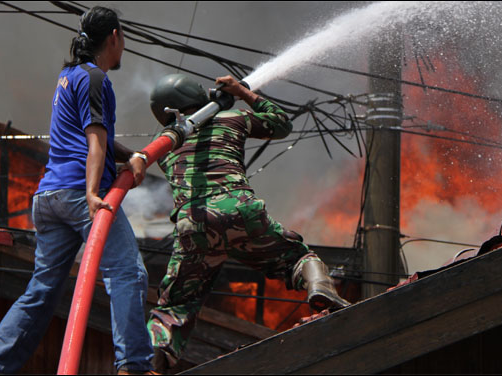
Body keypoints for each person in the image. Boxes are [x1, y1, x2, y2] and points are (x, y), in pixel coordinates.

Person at [0, 6, 155, 375]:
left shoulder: (69, 76)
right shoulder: (97, 80)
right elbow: (94, 143)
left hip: (49, 197)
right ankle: (134, 365)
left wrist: (132, 156)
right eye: (124, 39)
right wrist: (93, 193)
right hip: (78, 194)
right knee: (127, 273)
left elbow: (95, 138)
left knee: (42, 290)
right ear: (115, 38)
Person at [145, 73, 351, 372]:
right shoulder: (233, 119)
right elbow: (280, 122)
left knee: (175, 306)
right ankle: (320, 288)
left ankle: (151, 365)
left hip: (195, 224)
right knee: (298, 256)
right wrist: (242, 92)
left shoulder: (164, 147)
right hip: (240, 210)